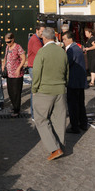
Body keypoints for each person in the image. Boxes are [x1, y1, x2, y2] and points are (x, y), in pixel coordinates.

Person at [32, 27, 69, 161]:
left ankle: (54, 148)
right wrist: (64, 84)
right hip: (60, 89)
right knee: (59, 119)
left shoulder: (42, 52)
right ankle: (61, 145)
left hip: (45, 90)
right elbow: (67, 71)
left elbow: (36, 72)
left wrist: (34, 89)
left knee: (41, 119)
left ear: (44, 38)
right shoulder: (62, 52)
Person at [62, 31, 88, 134]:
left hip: (73, 81)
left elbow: (66, 64)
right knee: (80, 103)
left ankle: (75, 126)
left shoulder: (72, 50)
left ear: (69, 39)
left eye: (64, 39)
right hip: (79, 81)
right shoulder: (77, 48)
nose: (63, 42)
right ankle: (83, 123)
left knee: (73, 105)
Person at [1, 32, 26, 117]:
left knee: (16, 92)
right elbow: (5, 57)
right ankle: (14, 106)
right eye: (6, 42)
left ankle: (17, 109)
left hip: (17, 74)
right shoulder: (7, 47)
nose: (7, 43)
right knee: (10, 91)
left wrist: (18, 68)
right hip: (9, 73)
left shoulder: (18, 47)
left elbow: (23, 58)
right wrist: (3, 66)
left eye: (9, 42)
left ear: (13, 39)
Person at [27, 24, 45, 119]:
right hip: (34, 67)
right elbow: (41, 53)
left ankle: (36, 114)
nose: (43, 33)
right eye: (42, 31)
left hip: (34, 66)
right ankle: (35, 114)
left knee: (35, 89)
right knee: (35, 90)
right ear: (37, 30)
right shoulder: (35, 40)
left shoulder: (38, 39)